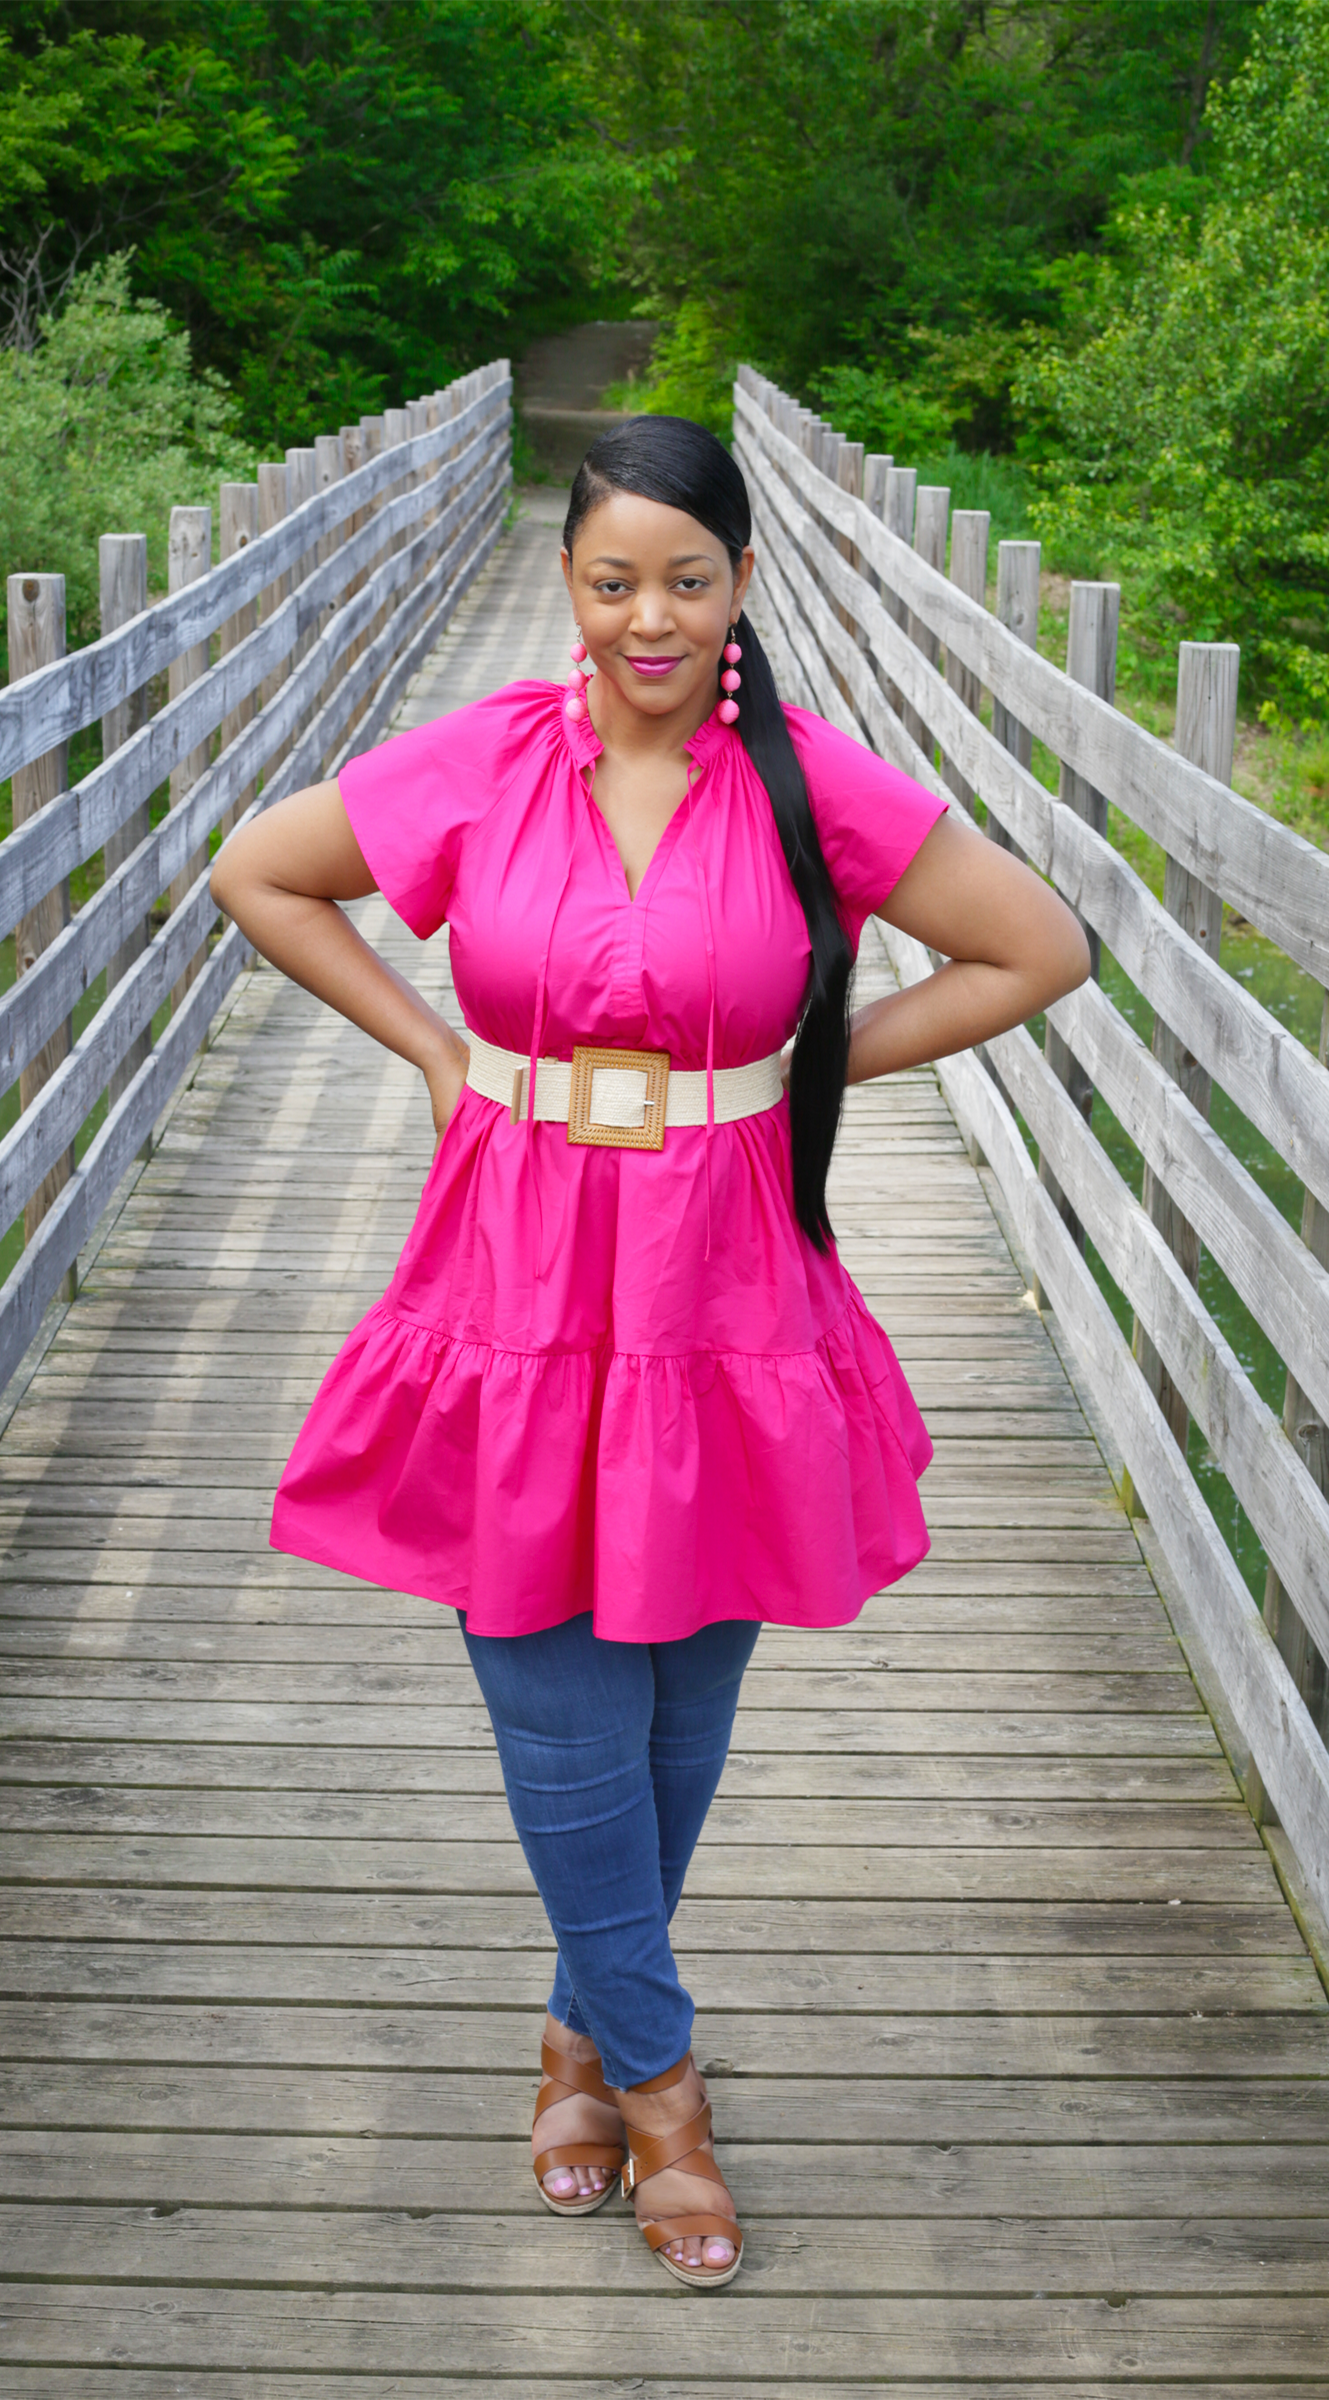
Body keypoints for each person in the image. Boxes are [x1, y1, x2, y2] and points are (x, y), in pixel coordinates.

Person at [209, 415, 1089, 2290]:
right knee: (554, 1701)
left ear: (745, 586)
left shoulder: (808, 788)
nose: (650, 615)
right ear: (570, 588)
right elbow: (258, 875)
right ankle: (666, 2088)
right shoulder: (484, 764)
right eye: (615, 579)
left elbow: (1037, 948)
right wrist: (441, 1056)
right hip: (516, 1278)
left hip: (726, 1288)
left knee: (682, 1717)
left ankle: (574, 2043)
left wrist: (815, 1066)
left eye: (688, 578)